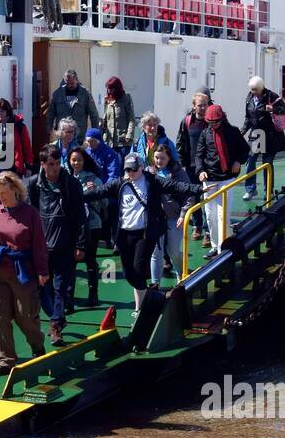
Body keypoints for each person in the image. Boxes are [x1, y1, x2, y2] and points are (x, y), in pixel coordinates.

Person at [83, 153, 200, 313]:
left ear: (141, 167)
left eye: (134, 169)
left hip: (145, 234)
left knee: (138, 270)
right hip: (125, 234)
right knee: (129, 274)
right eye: (128, 170)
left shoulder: (152, 181)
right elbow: (99, 192)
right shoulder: (120, 183)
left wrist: (198, 188)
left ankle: (141, 309)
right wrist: (78, 197)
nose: (131, 173)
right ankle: (146, 298)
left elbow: (175, 186)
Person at [0, 172, 49, 375]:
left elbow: (39, 245)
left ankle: (37, 345)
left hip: (22, 269)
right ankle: (5, 360)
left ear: (15, 190)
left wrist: (42, 271)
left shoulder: (30, 214)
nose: (0, 197)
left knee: (25, 314)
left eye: (3, 193)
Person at [26, 145, 87, 347]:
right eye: (50, 164)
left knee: (61, 287)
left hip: (64, 244)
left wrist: (80, 243)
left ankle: (55, 327)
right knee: (43, 288)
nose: (55, 168)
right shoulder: (34, 185)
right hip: (42, 246)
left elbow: (80, 216)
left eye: (58, 163)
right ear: (42, 164)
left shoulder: (71, 184)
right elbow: (31, 215)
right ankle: (56, 316)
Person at [196, 104, 251, 255]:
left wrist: (238, 161)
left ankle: (223, 247)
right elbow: (199, 155)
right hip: (210, 179)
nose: (212, 125)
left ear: (222, 119)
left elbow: (245, 150)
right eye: (210, 122)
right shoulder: (205, 134)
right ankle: (215, 245)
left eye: (215, 122)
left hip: (227, 178)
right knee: (210, 215)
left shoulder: (232, 131)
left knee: (222, 214)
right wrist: (200, 170)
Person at [147, 143, 190, 283]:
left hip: (174, 217)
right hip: (155, 219)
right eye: (157, 158)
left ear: (169, 158)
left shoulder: (178, 173)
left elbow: (188, 195)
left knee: (173, 252)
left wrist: (183, 214)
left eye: (162, 158)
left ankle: (181, 273)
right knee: (156, 253)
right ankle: (155, 285)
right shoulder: (149, 173)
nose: (159, 161)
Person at [68, 147, 106, 305]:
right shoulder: (67, 178)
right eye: (73, 160)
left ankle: (93, 293)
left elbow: (104, 202)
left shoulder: (93, 179)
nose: (76, 163)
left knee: (90, 259)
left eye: (79, 160)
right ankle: (69, 296)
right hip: (73, 226)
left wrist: (95, 191)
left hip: (92, 225)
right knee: (71, 262)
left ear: (84, 161)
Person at [241, 76, 285, 201]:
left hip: (270, 135)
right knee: (250, 161)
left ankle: (269, 191)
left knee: (267, 163)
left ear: (261, 88)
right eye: (251, 89)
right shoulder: (249, 97)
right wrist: (243, 131)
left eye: (255, 89)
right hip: (256, 133)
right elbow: (248, 117)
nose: (253, 92)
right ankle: (250, 190)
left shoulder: (271, 96)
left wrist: (273, 108)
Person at [177, 91, 211, 248]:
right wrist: (182, 162)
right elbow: (181, 142)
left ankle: (208, 231)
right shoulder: (187, 121)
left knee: (208, 198)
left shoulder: (211, 121)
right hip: (191, 165)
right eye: (200, 105)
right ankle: (197, 226)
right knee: (194, 196)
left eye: (205, 105)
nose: (203, 108)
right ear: (194, 106)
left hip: (208, 166)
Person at [46, 69, 100, 136]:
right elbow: (50, 113)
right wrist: (51, 130)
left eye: (72, 83)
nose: (69, 86)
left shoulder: (85, 94)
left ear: (76, 79)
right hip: (62, 135)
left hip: (79, 136)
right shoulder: (57, 94)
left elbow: (94, 115)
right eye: (67, 83)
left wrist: (95, 134)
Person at [0, 97, 34, 177]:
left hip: (14, 167)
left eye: (2, 111)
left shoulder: (19, 126)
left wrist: (28, 167)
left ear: (8, 112)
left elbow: (27, 148)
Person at [101, 76, 136, 150]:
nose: (109, 91)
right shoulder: (107, 100)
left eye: (111, 89)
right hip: (109, 141)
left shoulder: (126, 99)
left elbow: (131, 119)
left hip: (122, 141)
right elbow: (105, 119)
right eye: (108, 88)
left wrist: (129, 135)